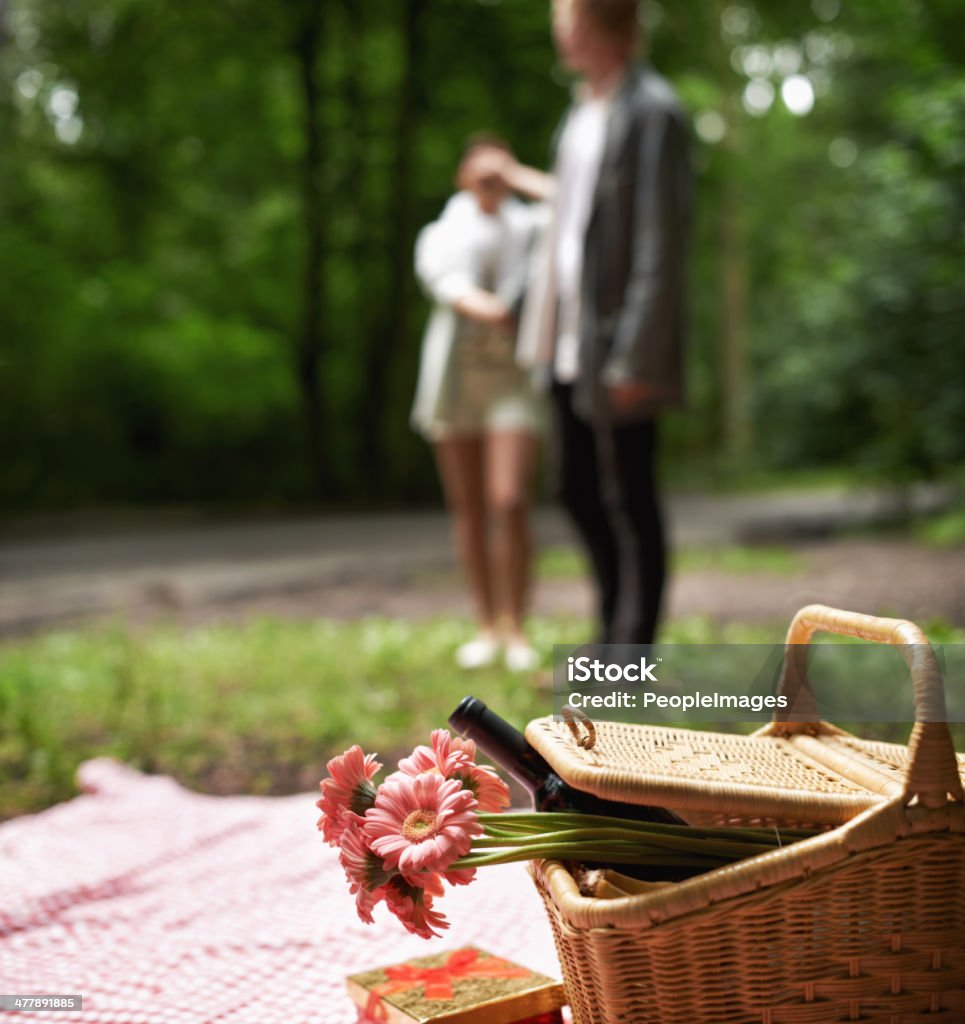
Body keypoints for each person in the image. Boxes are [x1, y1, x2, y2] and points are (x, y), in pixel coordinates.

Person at [493, 0, 692, 646]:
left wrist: (637, 354)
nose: (556, 29)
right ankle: (612, 629)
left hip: (617, 342)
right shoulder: (579, 111)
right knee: (575, 488)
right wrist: (524, 310)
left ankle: (632, 651)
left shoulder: (653, 111)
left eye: (563, 17)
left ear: (590, 25)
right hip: (565, 337)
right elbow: (565, 222)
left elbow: (660, 243)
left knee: (629, 496)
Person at [412, 137, 546, 672]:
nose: (490, 175)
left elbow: (575, 202)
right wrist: (491, 308)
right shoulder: (440, 233)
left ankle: (516, 627)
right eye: (480, 165)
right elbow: (444, 283)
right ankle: (486, 625)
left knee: (508, 499)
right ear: (461, 174)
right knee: (468, 506)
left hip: (513, 378)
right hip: (455, 380)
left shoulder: (534, 226)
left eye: (501, 164)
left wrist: (516, 173)